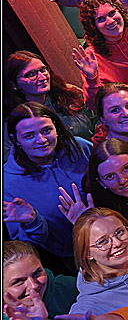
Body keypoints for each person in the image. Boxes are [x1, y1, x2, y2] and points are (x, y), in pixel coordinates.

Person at [3, 103, 92, 259]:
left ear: (56, 128)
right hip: (69, 257)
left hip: (112, 234)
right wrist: (32, 222)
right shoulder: (8, 180)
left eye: (46, 130)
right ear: (15, 139)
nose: (41, 140)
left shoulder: (80, 147)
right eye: (29, 136)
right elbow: (24, 246)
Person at [4, 51, 93, 154]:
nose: (42, 77)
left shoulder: (69, 94)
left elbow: (98, 119)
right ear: (14, 85)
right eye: (31, 74)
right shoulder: (13, 120)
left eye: (43, 70)